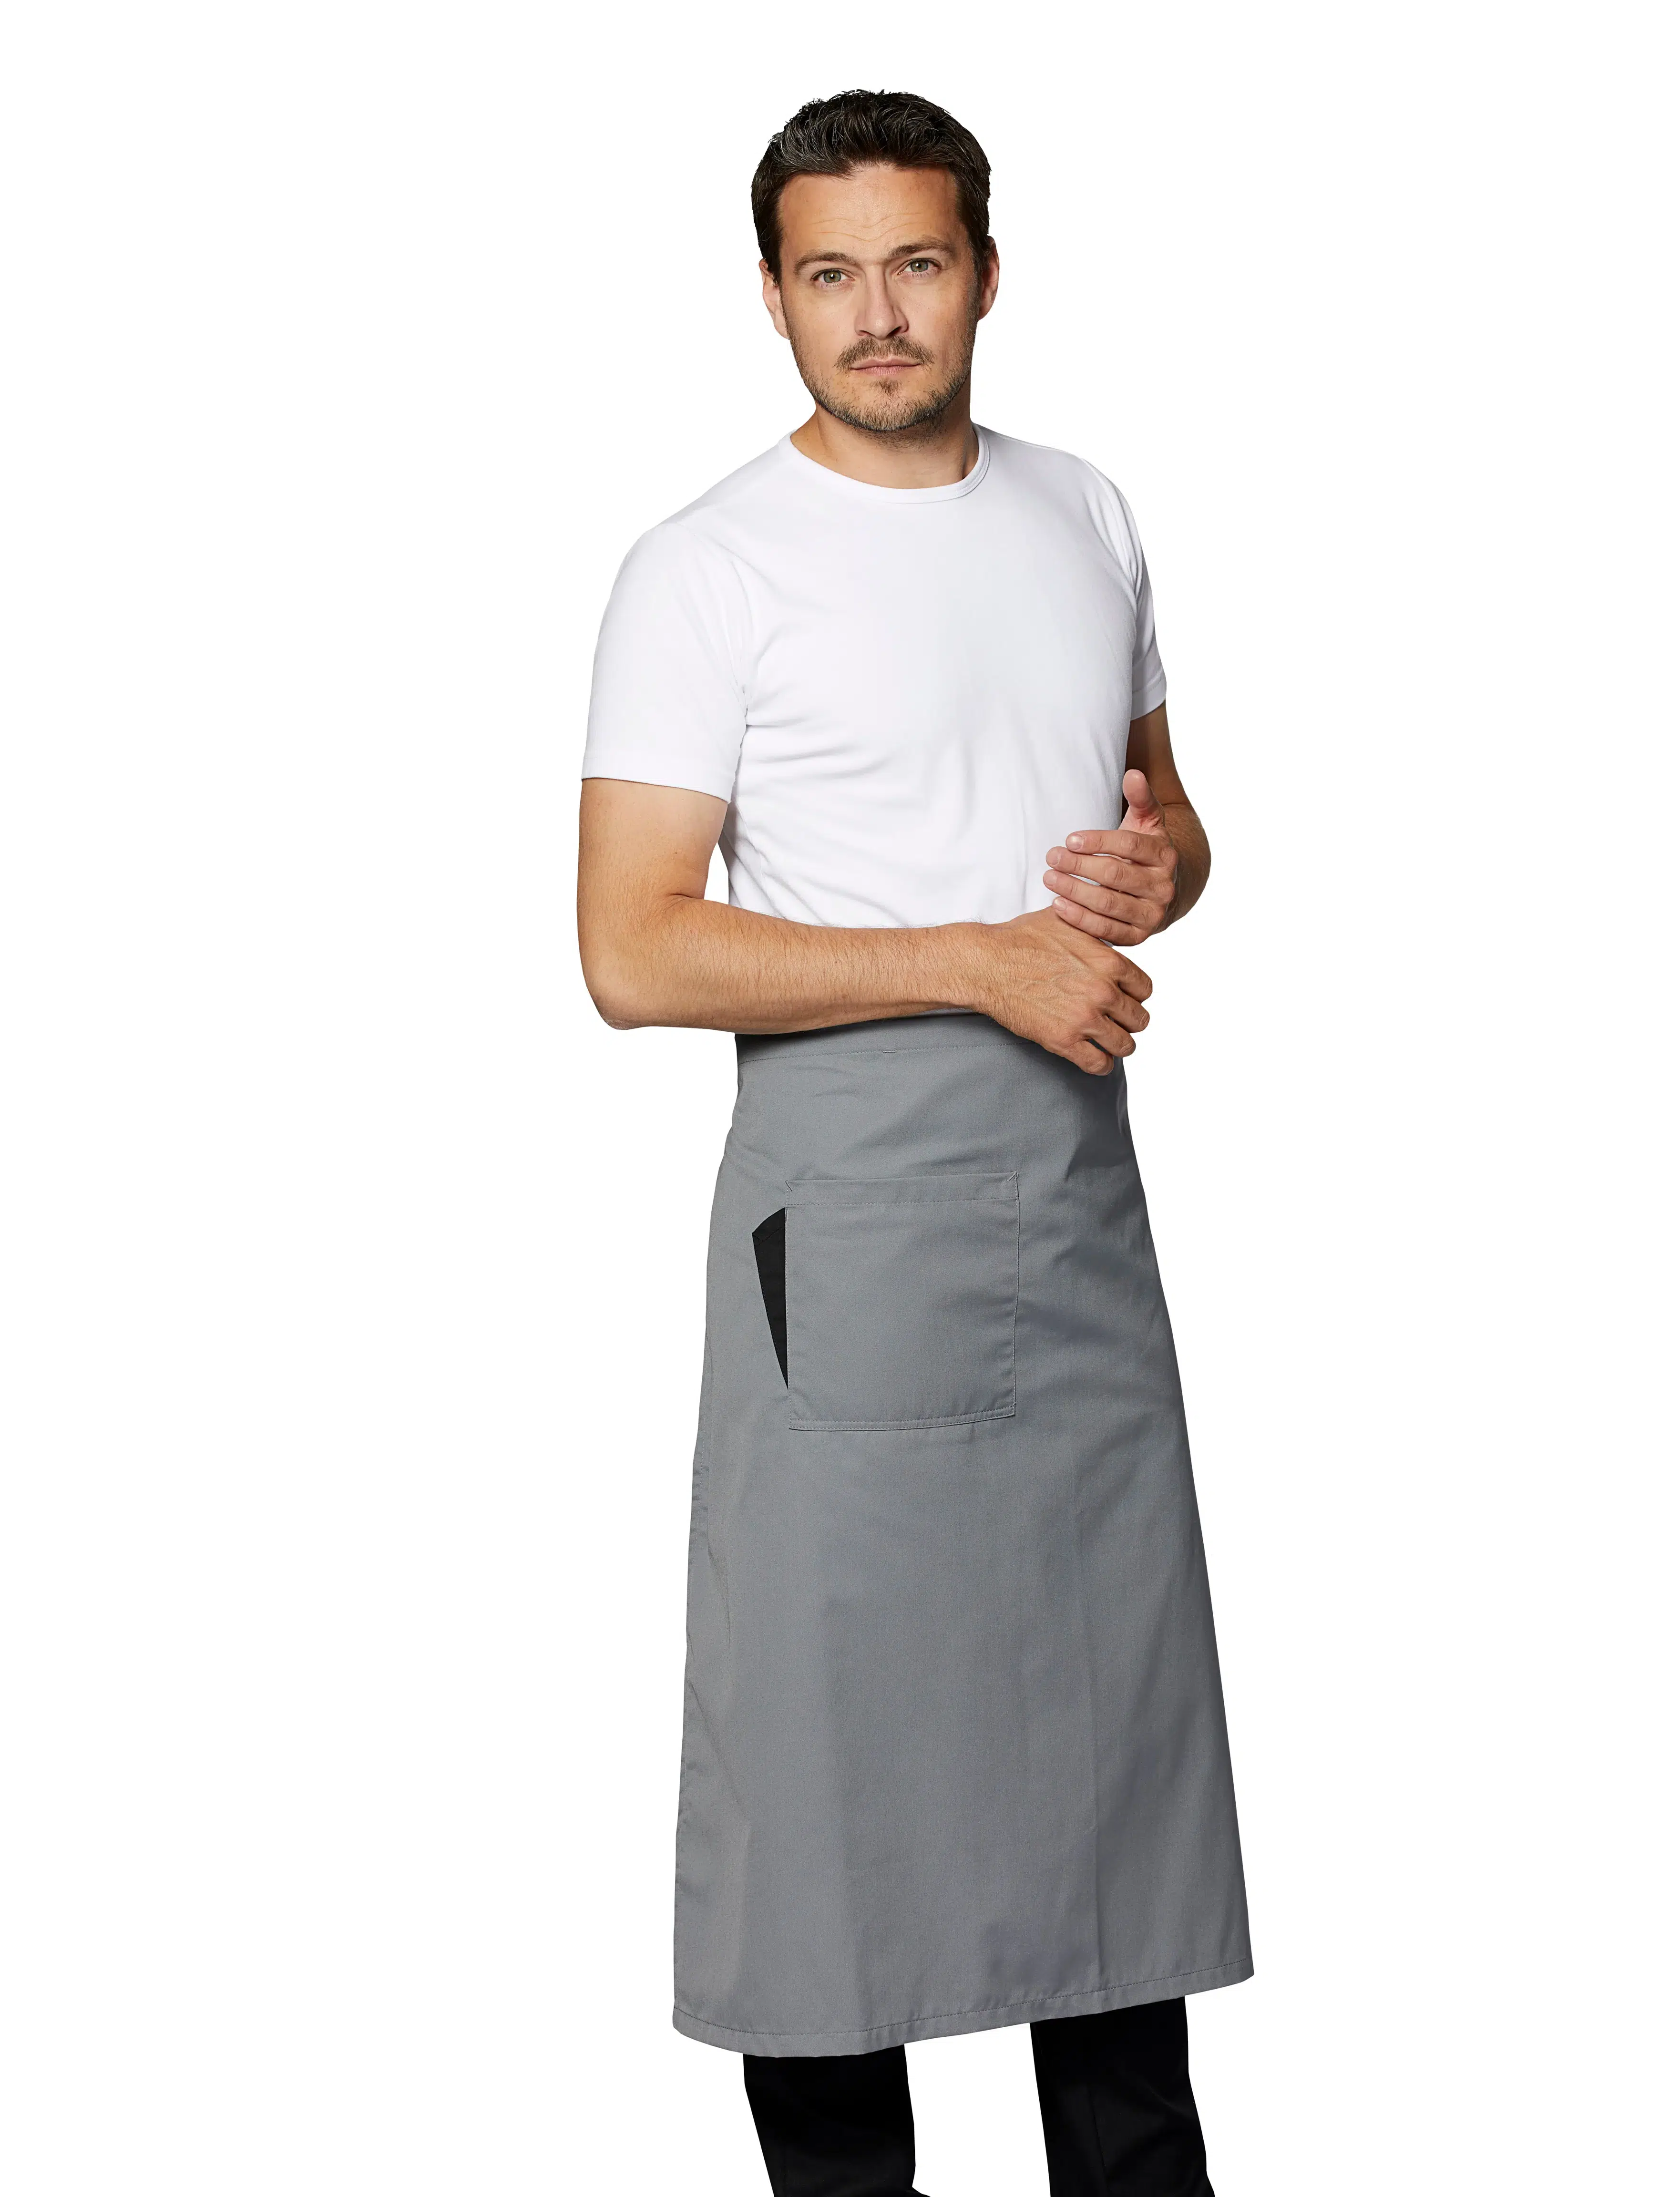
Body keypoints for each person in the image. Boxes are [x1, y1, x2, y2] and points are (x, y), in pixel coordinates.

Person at [577, 89, 1251, 2197]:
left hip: (1079, 1213)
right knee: (831, 1783)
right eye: (832, 273)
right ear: (775, 298)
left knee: (1114, 1780)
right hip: (854, 1228)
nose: (879, 313)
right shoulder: (705, 571)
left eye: (918, 264)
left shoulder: (1087, 512)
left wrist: (1155, 876)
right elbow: (631, 948)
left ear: (984, 272)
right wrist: (977, 959)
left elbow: (1170, 819)